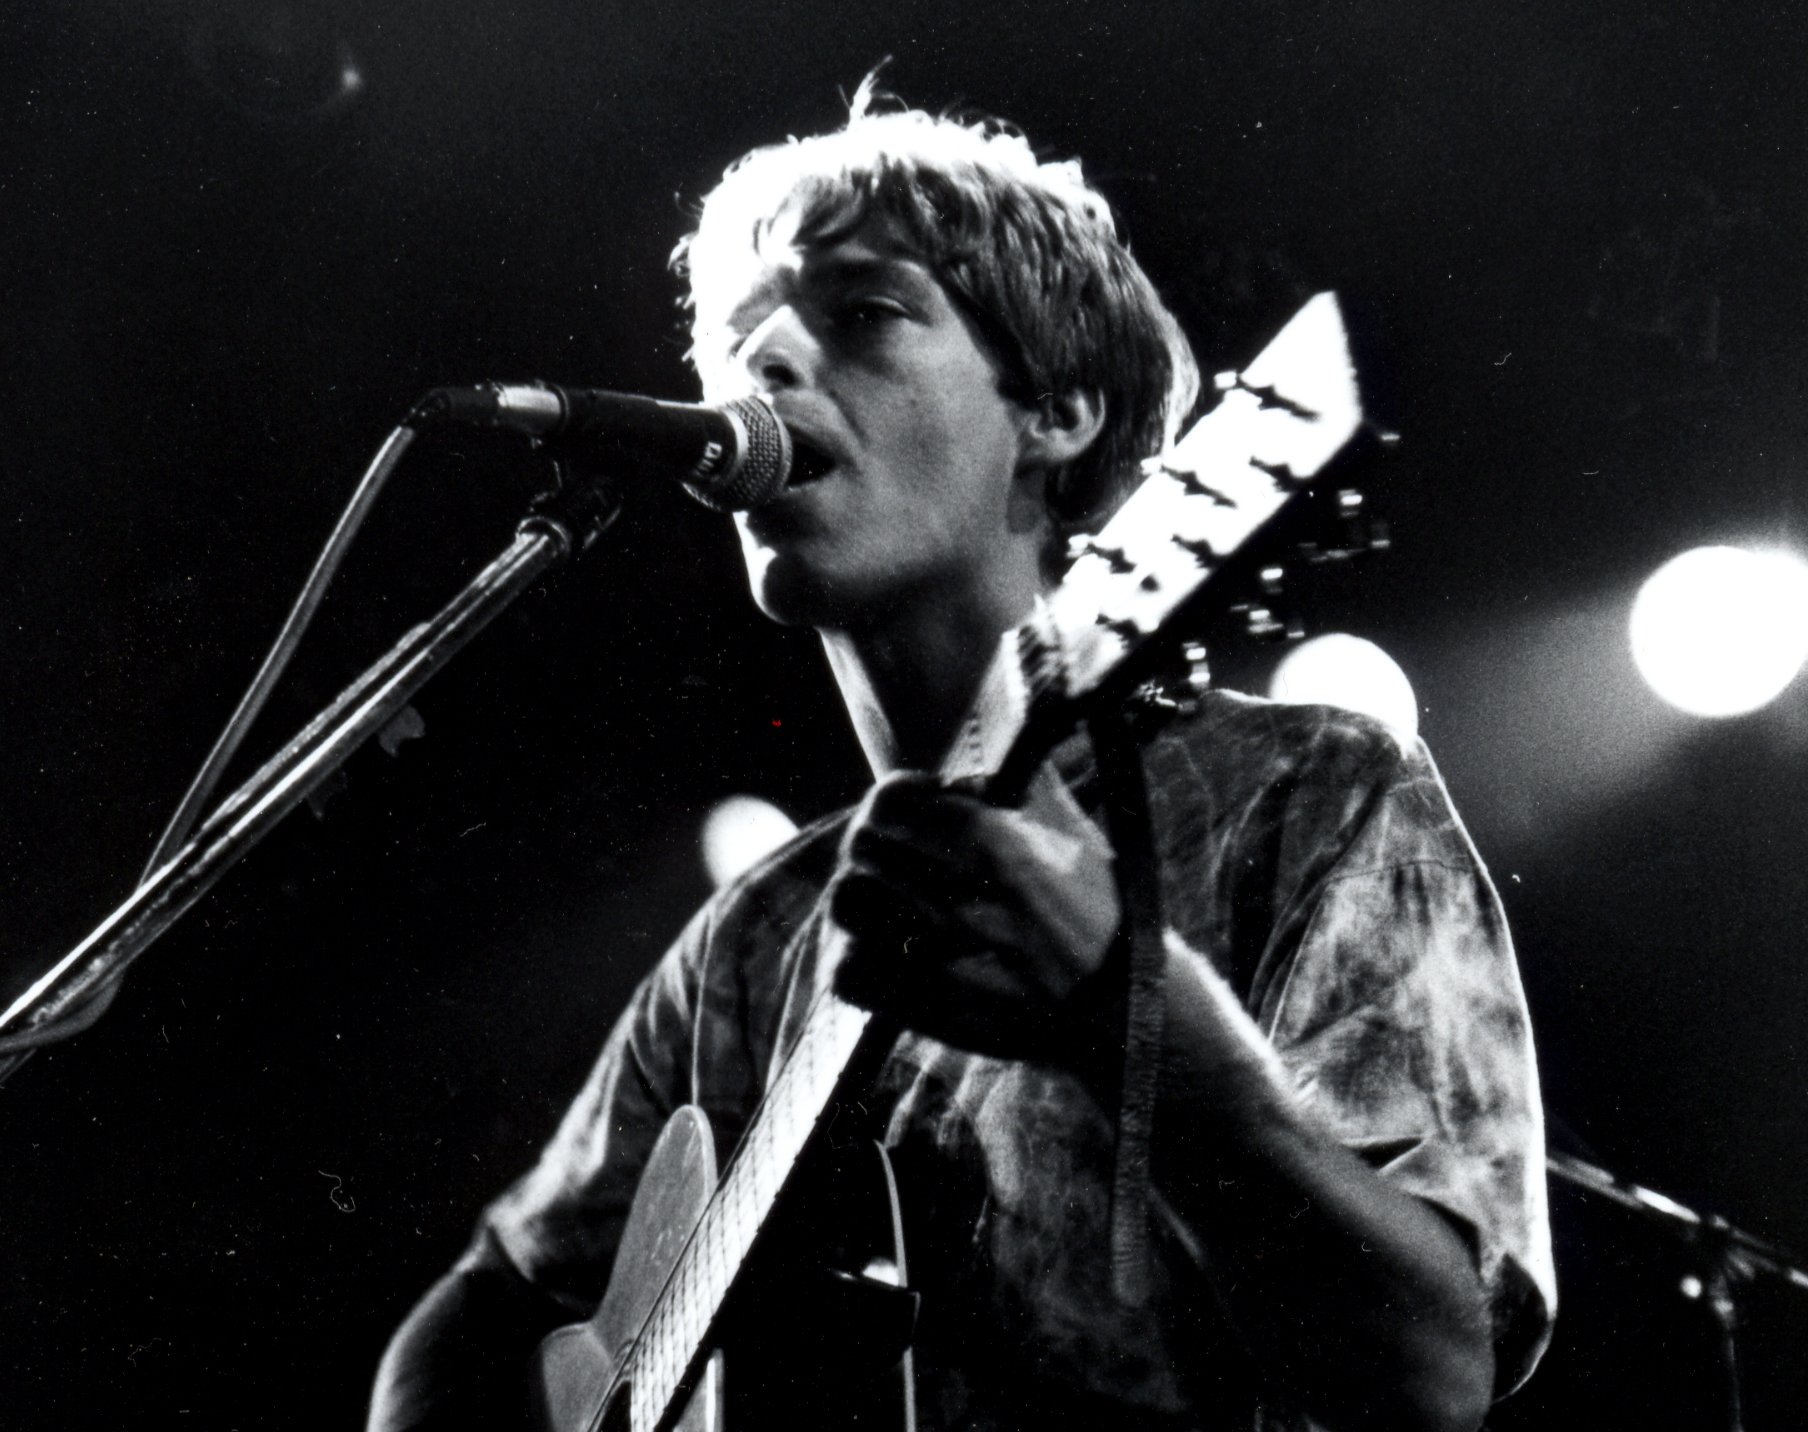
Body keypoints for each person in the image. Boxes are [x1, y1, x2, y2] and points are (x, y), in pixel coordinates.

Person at [367, 81, 1554, 1432]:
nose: (765, 365)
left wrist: (1133, 1031)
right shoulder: (752, 937)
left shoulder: (1308, 793)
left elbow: (1432, 1379)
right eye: (738, 343)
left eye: (862, 312)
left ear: (1059, 412)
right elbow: (467, 1325)